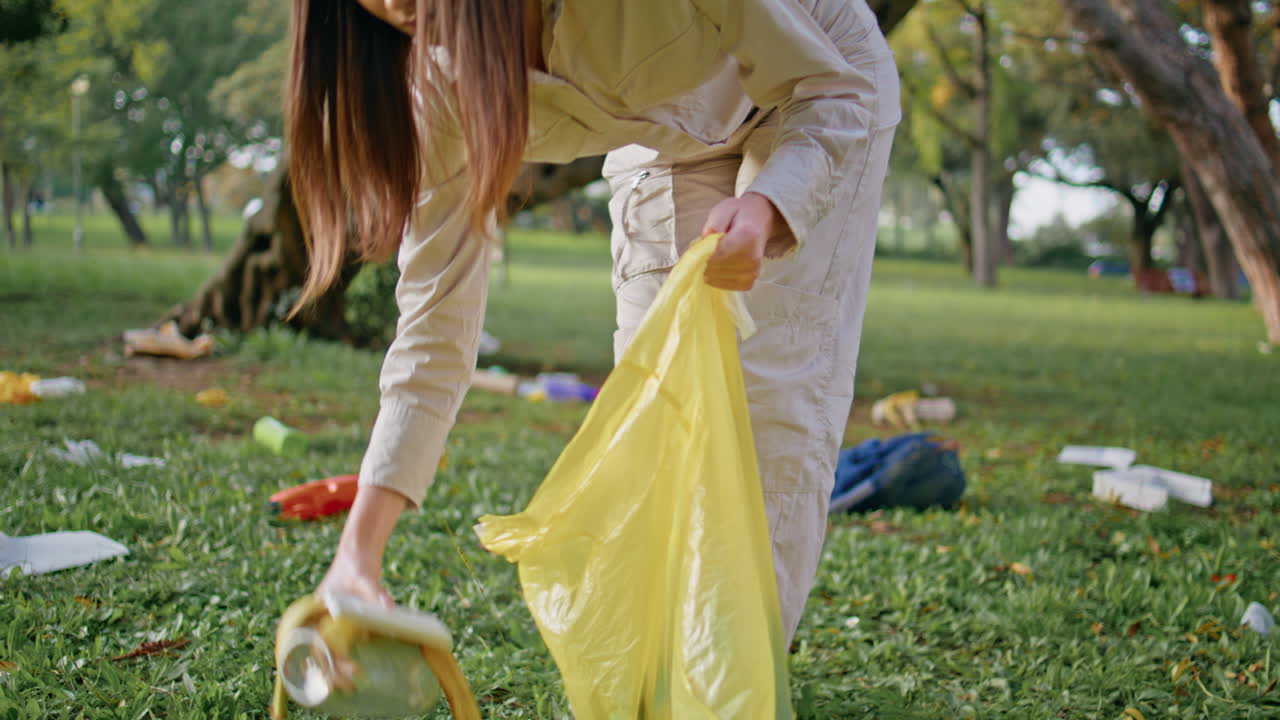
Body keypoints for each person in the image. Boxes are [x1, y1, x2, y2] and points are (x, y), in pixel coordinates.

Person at [290, 0, 900, 650]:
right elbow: (432, 334)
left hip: (817, 87)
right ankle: (667, 667)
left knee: (765, 407)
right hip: (667, 131)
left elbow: (831, 88)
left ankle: (734, 676)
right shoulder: (438, 82)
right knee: (658, 417)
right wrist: (358, 552)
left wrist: (771, 205)